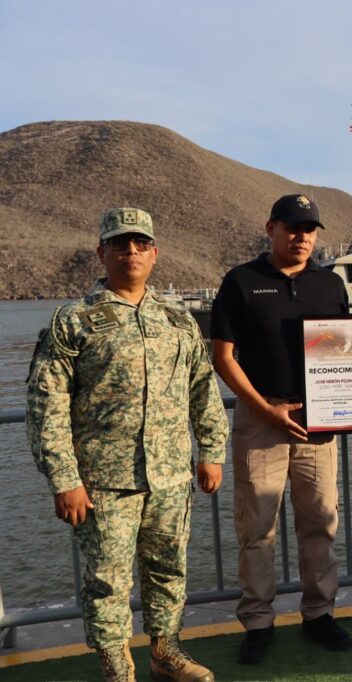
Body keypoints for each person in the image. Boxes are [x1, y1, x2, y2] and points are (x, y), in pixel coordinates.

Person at [27, 207, 228, 682]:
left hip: (171, 476)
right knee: (107, 582)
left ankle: (165, 653)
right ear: (102, 252)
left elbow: (203, 386)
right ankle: (117, 667)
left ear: (155, 253)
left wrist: (213, 450)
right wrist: (64, 479)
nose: (131, 251)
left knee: (168, 571)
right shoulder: (73, 321)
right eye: (120, 243)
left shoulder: (177, 319)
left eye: (140, 243)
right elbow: (45, 406)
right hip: (103, 483)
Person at [211, 194, 352, 663]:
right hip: (261, 420)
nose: (302, 237)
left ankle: (319, 614)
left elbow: (345, 350)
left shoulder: (329, 285)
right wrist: (265, 409)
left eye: (310, 229)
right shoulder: (241, 281)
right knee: (257, 529)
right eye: (292, 227)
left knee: (320, 524)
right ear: (271, 228)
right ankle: (259, 622)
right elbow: (222, 357)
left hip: (318, 423)